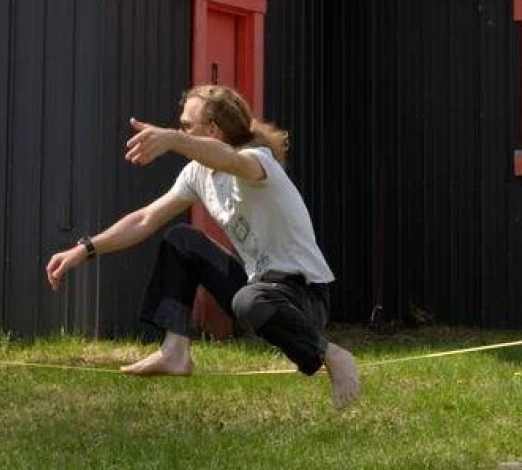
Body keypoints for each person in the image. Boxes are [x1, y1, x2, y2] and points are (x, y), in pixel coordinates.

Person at [45, 85, 361, 408]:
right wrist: (84, 249)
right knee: (182, 240)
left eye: (185, 126)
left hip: (304, 295)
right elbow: (145, 219)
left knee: (249, 299)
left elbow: (230, 160)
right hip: (260, 287)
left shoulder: (256, 162)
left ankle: (331, 354)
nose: (179, 130)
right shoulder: (197, 173)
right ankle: (175, 352)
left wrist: (173, 140)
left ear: (212, 130)